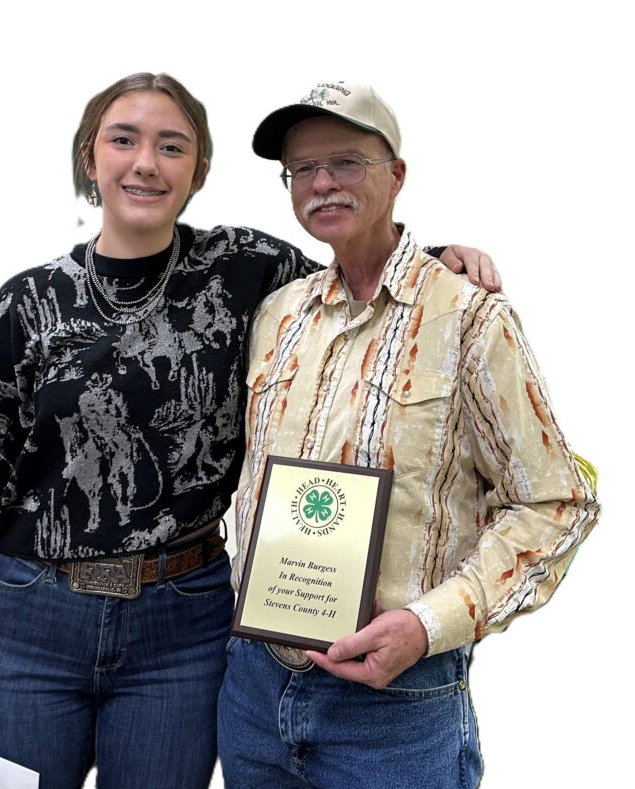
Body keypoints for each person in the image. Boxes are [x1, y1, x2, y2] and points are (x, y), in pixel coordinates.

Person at [0, 72, 499, 789]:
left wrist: (437, 258)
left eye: (172, 146)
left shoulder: (245, 271)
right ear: (88, 157)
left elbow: (358, 279)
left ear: (199, 169)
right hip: (31, 621)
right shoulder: (27, 303)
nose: (146, 162)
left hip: (180, 627)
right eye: (123, 140)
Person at [218, 80, 599, 789]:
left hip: (395, 712)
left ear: (397, 175)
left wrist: (428, 624)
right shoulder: (278, 314)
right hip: (253, 691)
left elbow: (558, 505)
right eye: (303, 169)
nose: (323, 183)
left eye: (347, 162)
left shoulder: (472, 318)